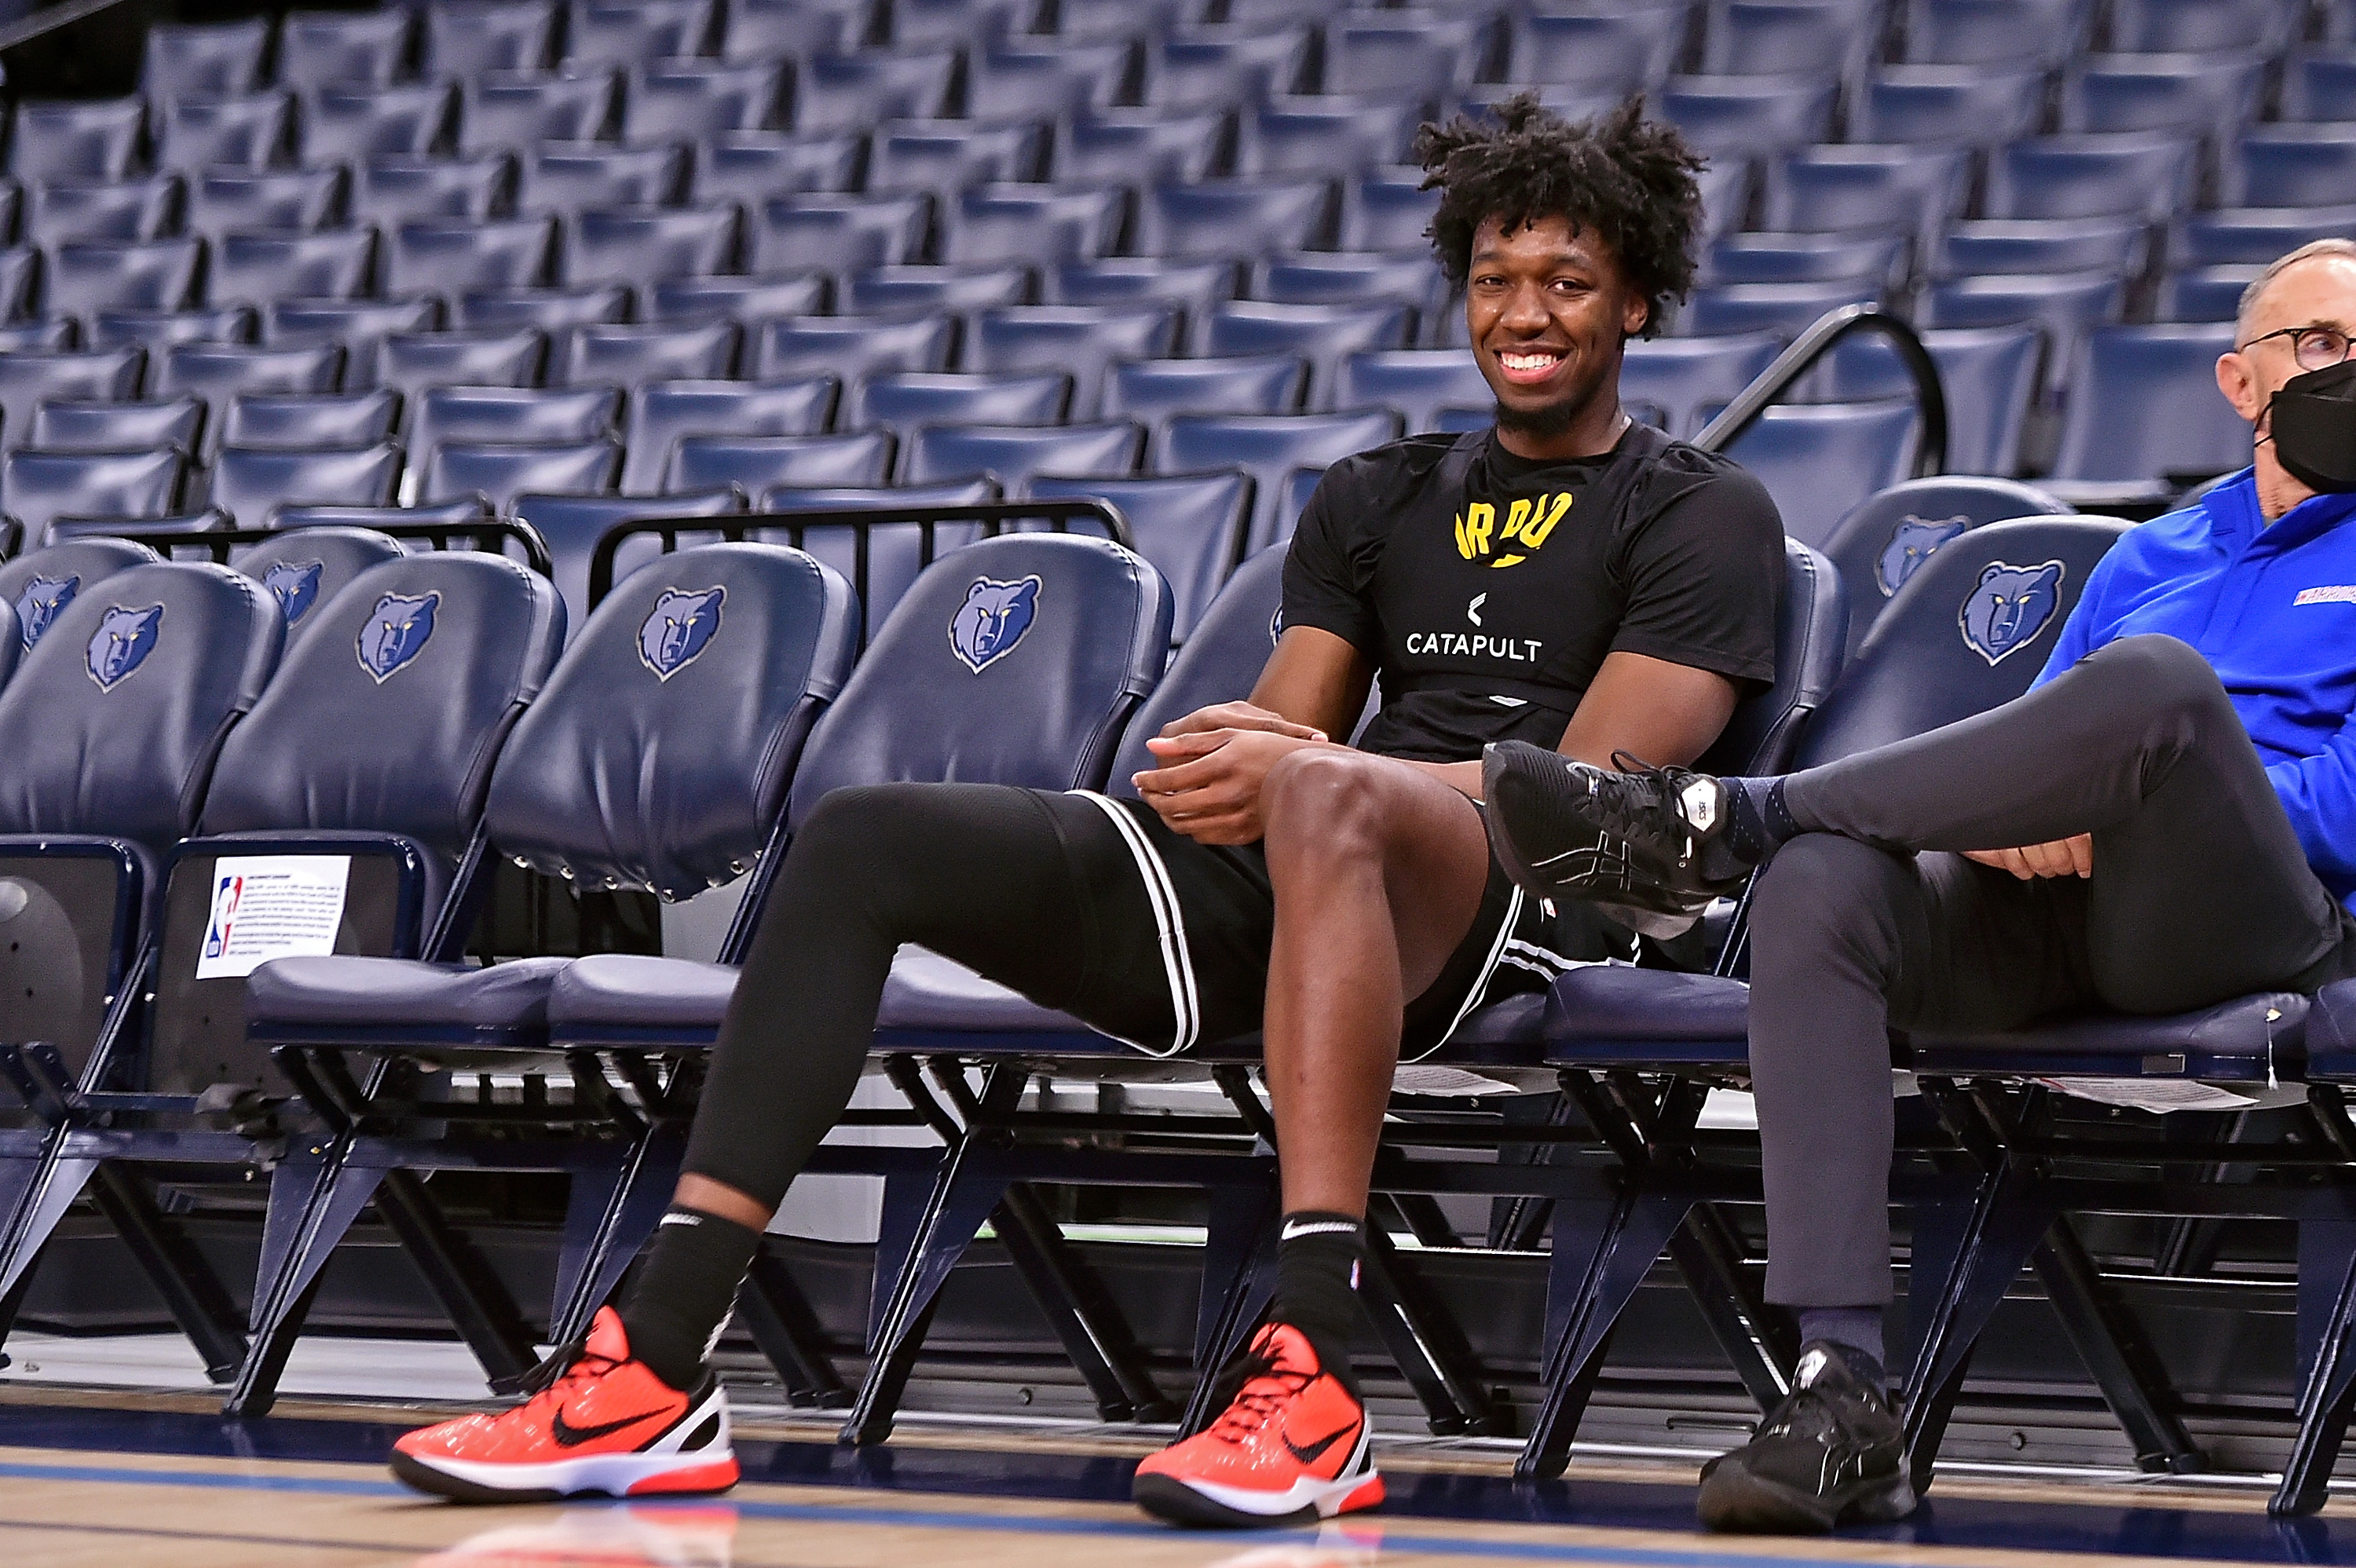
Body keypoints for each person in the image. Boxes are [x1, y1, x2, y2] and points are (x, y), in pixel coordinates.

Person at [387, 95, 1787, 1527]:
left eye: (1565, 281)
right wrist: (1248, 757)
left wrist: (1310, 770)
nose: (1523, 312)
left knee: (1326, 796)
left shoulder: (1701, 512)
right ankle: (655, 1367)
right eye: (1495, 278)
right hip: (1328, 861)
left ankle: (1312, 1381)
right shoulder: (1381, 491)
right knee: (864, 835)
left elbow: (1588, 803)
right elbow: (1284, 727)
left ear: (1636, 299)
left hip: (1523, 897)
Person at [1481, 236, 2356, 1535]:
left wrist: (2125, 809)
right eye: (2325, 346)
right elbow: (2035, 755)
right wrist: (2039, 815)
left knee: (2159, 689)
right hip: (2071, 919)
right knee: (1830, 883)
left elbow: (2339, 811)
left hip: (2261, 917)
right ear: (2241, 383)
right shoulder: (2147, 556)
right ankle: (1843, 1391)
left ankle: (1726, 822)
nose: (2355, 369)